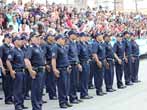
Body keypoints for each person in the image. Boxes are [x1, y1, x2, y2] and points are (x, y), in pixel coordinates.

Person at [24, 34, 46, 110]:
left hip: (41, 71)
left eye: (39, 37)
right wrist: (31, 71)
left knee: (40, 90)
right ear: (32, 39)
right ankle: (36, 107)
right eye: (36, 37)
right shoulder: (31, 48)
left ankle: (39, 106)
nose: (38, 39)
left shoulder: (39, 47)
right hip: (36, 71)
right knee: (35, 90)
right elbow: (26, 60)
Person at [6, 36, 28, 110]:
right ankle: (17, 104)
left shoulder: (20, 50)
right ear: (15, 42)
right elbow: (8, 61)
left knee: (23, 89)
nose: (21, 41)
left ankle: (21, 103)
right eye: (19, 40)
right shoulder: (13, 50)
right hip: (17, 71)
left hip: (23, 71)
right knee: (17, 89)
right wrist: (11, 71)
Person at [51, 34, 72, 108]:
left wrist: (68, 65)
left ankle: (66, 100)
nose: (64, 40)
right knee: (62, 87)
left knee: (66, 86)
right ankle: (62, 102)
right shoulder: (55, 47)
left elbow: (65, 57)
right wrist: (54, 69)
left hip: (66, 69)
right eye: (62, 39)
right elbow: (53, 59)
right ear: (58, 39)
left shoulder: (63, 47)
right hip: (60, 69)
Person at [67, 30, 83, 104]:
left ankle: (75, 96)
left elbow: (76, 55)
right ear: (70, 35)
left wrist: (78, 64)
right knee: (72, 82)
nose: (76, 36)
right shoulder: (68, 43)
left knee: (76, 81)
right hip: (71, 64)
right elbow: (66, 55)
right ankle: (72, 98)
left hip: (76, 64)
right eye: (74, 34)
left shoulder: (74, 43)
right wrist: (68, 65)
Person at [78, 32, 93, 99]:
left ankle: (85, 92)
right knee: (83, 79)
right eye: (84, 36)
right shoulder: (79, 45)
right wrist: (79, 64)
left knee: (86, 78)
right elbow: (77, 55)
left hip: (87, 62)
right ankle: (83, 94)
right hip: (82, 63)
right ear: (80, 37)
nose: (85, 38)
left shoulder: (86, 44)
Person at [0, 33, 13, 104]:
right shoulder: (2, 47)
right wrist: (2, 67)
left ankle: (10, 98)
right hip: (5, 68)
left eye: (10, 38)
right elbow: (0, 58)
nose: (10, 39)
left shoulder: (10, 47)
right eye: (8, 38)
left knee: (11, 84)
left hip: (10, 68)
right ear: (5, 38)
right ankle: (7, 99)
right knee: (6, 84)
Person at [44, 34, 57, 100]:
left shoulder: (53, 44)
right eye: (51, 36)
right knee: (51, 80)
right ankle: (52, 95)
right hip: (49, 63)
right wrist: (46, 65)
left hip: (53, 62)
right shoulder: (46, 45)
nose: (52, 37)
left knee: (54, 80)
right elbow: (44, 55)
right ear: (48, 37)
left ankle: (54, 93)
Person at [21, 34, 31, 100]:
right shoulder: (20, 48)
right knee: (23, 83)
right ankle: (24, 95)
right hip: (22, 67)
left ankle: (26, 93)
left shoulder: (26, 47)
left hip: (27, 67)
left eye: (26, 40)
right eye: (24, 40)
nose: (25, 41)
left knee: (27, 82)